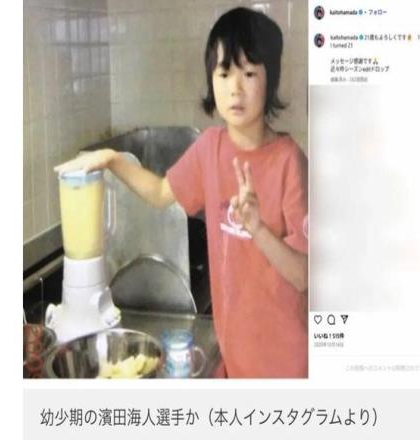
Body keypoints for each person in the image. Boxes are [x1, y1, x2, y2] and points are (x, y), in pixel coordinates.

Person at [55, 7, 308, 378]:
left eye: (249, 73)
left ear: (270, 79)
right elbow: (160, 192)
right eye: (224, 73)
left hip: (285, 364)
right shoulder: (210, 148)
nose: (235, 88)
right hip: (235, 360)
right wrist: (112, 159)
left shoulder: (290, 162)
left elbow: (304, 276)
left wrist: (258, 229)